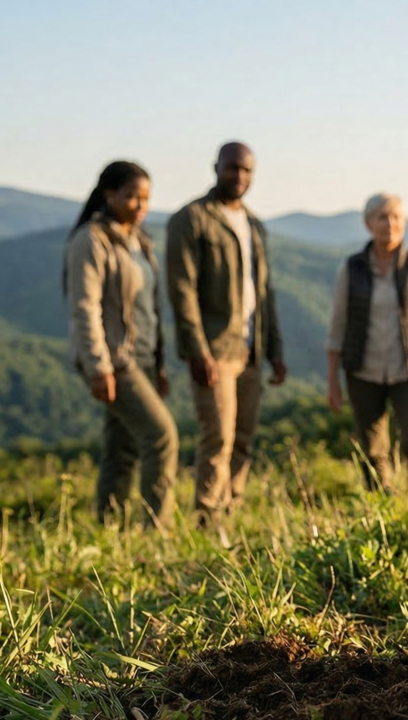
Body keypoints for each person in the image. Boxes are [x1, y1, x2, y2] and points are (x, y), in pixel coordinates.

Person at [166, 142, 286, 532]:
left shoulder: (254, 224)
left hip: (252, 347)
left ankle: (231, 511)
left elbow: (264, 292)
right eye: (233, 168)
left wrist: (275, 350)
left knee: (243, 438)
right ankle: (206, 519)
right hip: (215, 349)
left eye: (247, 170)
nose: (240, 176)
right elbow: (181, 290)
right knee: (218, 437)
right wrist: (197, 350)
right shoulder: (191, 219)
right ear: (215, 167)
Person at [64, 161, 178, 529]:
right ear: (108, 194)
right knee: (161, 436)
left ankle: (109, 528)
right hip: (115, 360)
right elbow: (85, 307)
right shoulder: (91, 241)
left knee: (122, 446)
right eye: (131, 196)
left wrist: (159, 364)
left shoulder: (139, 241)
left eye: (145, 198)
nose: (140, 205)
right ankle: (156, 531)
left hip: (143, 357)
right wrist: (98, 366)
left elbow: (149, 309)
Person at [326, 193, 408, 489]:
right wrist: (332, 381)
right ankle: (380, 502)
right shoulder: (351, 268)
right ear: (368, 224)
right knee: (371, 448)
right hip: (362, 371)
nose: (390, 224)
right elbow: (337, 326)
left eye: (396, 217)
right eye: (382, 217)